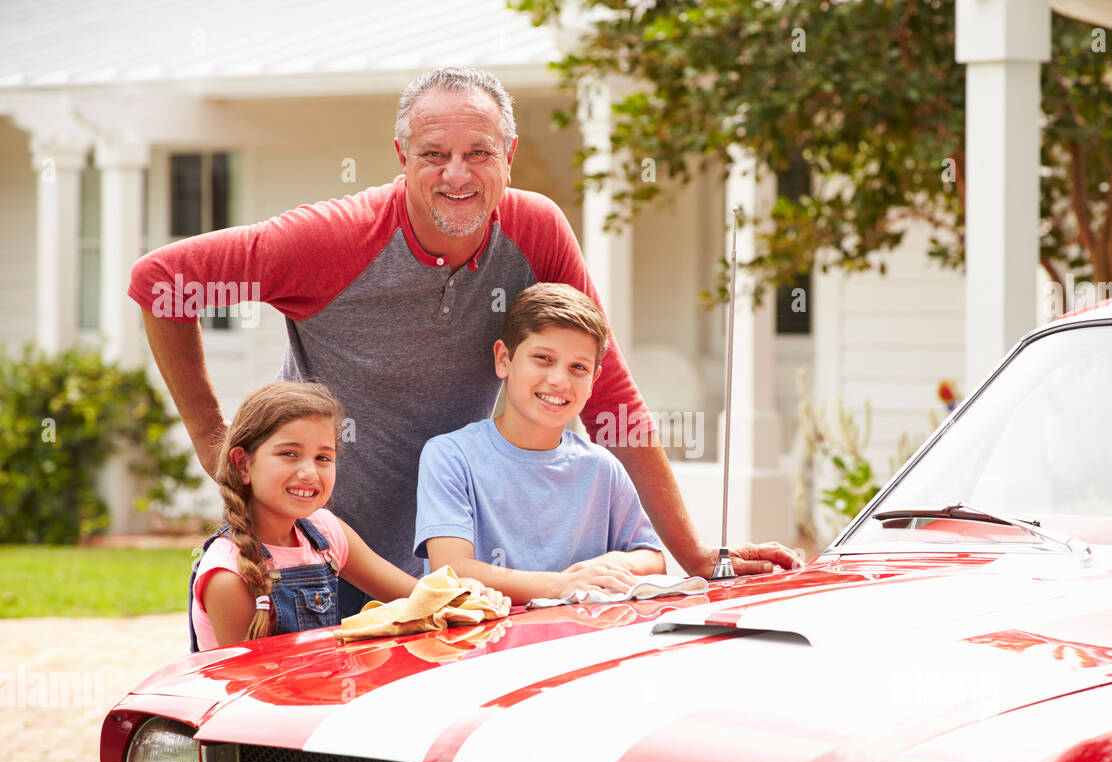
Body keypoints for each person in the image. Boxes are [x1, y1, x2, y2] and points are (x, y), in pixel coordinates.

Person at [132, 67, 801, 616]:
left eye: (478, 152)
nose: (458, 174)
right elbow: (160, 282)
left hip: (453, 576)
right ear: (403, 158)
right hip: (319, 552)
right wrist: (211, 436)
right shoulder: (333, 239)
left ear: (507, 156)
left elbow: (612, 395)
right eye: (435, 155)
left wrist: (694, 555)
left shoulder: (534, 229)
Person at [190, 381, 504, 650]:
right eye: (289, 454)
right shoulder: (229, 576)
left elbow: (417, 597)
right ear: (243, 464)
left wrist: (464, 594)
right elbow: (249, 698)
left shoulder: (325, 532)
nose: (309, 472)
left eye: (323, 457)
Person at [416, 284, 666, 604]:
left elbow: (653, 558)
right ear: (504, 359)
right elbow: (451, 569)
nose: (560, 380)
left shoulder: (602, 468)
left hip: (582, 642)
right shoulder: (450, 457)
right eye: (543, 358)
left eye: (578, 367)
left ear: (593, 382)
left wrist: (616, 564)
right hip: (483, 646)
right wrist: (562, 584)